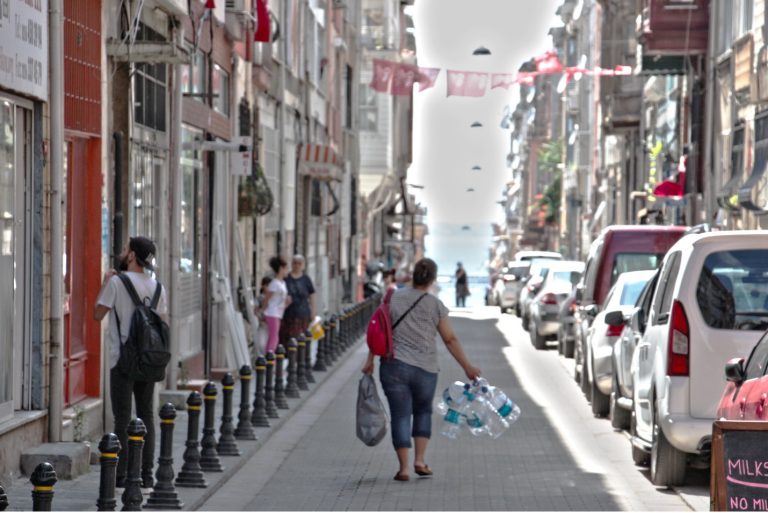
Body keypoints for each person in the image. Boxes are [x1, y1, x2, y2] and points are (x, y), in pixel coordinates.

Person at [361, 258, 481, 482]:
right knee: (423, 411)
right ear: (433, 279)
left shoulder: (392, 298)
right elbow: (450, 339)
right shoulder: (435, 305)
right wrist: (467, 367)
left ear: (412, 276)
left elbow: (377, 331)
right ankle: (420, 461)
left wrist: (370, 360)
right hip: (426, 369)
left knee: (400, 415)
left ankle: (404, 468)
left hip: (394, 366)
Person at [93, 236, 168, 489]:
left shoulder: (116, 282)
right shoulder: (158, 287)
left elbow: (97, 314)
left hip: (122, 359)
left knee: (122, 418)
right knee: (147, 414)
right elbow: (162, 322)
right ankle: (147, 474)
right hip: (149, 359)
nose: (123, 252)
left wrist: (105, 283)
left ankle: (122, 475)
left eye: (126, 249)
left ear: (133, 255)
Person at [280, 255, 316, 347]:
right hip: (288, 314)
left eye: (299, 263)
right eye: (295, 263)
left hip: (303, 314)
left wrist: (313, 312)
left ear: (302, 265)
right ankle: (289, 359)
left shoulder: (306, 279)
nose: (297, 265)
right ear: (291, 264)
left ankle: (301, 358)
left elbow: (312, 295)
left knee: (302, 338)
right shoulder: (286, 278)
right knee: (288, 338)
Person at [263, 256, 290, 353]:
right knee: (274, 337)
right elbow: (267, 298)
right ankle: (270, 359)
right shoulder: (274, 284)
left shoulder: (282, 283)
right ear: (281, 269)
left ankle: (268, 358)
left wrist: (286, 302)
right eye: (286, 268)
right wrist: (263, 310)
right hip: (272, 312)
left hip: (278, 312)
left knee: (273, 336)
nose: (287, 270)